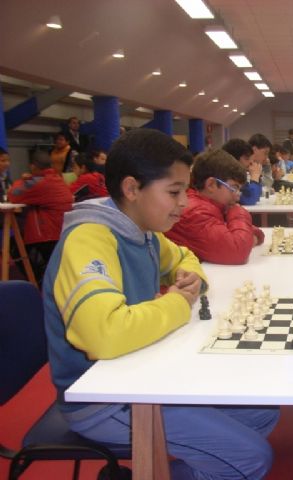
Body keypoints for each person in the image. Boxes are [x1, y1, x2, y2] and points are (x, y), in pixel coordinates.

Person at [42, 129, 278, 479]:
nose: (184, 202)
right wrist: (178, 303)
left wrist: (192, 276)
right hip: (100, 398)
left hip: (139, 371)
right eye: (174, 192)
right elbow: (104, 335)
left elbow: (183, 257)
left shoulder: (143, 231)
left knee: (262, 413)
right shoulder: (89, 239)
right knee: (251, 458)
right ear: (132, 188)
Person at [166, 148, 265, 264]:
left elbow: (254, 233)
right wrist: (238, 212)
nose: (237, 197)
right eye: (234, 188)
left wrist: (246, 238)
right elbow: (237, 251)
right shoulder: (196, 213)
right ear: (211, 184)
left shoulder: (213, 206)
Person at [7, 150, 73, 283]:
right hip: (62, 230)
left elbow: (13, 194)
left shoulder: (38, 182)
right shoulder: (57, 178)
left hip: (47, 234)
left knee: (16, 248)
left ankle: (36, 280)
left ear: (33, 166)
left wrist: (23, 179)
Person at [223, 138, 263, 205]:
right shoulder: (227, 176)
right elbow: (249, 199)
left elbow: (257, 197)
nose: (251, 162)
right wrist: (255, 177)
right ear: (234, 159)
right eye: (247, 158)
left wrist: (257, 178)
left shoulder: (239, 176)